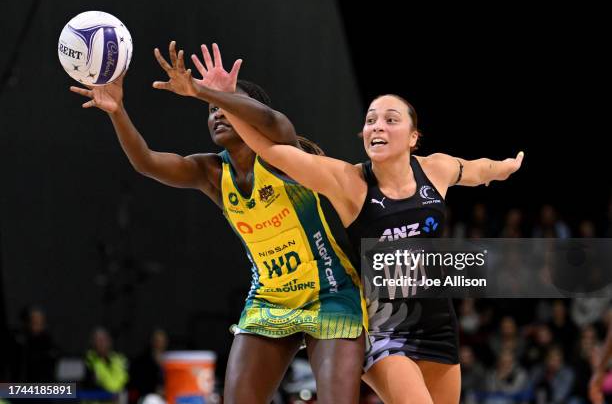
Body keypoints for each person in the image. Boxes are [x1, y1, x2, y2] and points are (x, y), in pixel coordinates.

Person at [151, 42, 524, 403]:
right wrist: (221, 100)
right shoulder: (348, 181)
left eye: (390, 120)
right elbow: (271, 149)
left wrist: (502, 168)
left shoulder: (436, 168)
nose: (377, 126)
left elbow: (473, 170)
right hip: (385, 328)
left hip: (440, 325)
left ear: (413, 137)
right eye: (370, 120)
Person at [69, 42, 366, 404]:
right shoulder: (212, 172)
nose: (217, 114)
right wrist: (117, 111)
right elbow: (146, 162)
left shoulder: (284, 157)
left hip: (330, 293)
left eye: (225, 106)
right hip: (270, 299)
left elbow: (275, 122)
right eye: (211, 109)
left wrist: (203, 90)